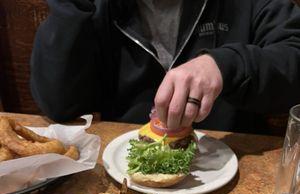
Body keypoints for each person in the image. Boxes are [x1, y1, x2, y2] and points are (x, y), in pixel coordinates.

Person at [31, 0, 300, 133]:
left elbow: (293, 54)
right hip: (123, 180)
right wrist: (71, 8)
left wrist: (225, 65)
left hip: (231, 170)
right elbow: (59, 103)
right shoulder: (98, 6)